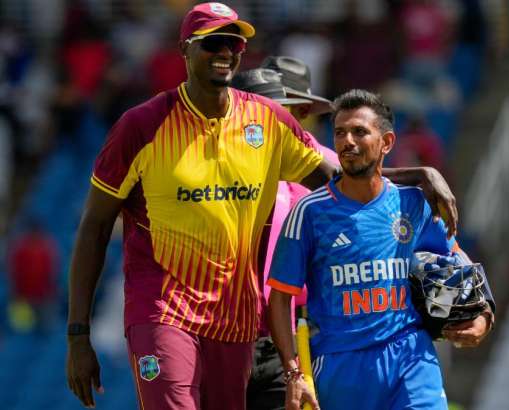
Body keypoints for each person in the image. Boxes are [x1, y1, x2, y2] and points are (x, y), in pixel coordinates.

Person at [64, 3, 459, 410]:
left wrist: (416, 175)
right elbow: (94, 226)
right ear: (185, 50)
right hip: (163, 311)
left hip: (238, 323)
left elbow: (342, 180)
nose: (226, 51)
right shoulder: (141, 127)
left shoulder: (267, 121)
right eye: (213, 42)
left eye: (234, 43)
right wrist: (78, 334)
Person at [267, 89, 495, 410]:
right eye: (340, 132)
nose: (348, 141)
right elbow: (279, 298)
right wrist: (294, 373)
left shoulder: (414, 203)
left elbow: (456, 258)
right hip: (341, 364)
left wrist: (484, 312)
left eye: (360, 131)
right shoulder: (309, 212)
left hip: (410, 354)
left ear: (386, 142)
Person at [232, 56, 339, 410]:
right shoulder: (223, 163)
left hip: (301, 330)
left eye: (279, 106)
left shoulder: (325, 166)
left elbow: (374, 193)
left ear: (303, 109)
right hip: (229, 329)